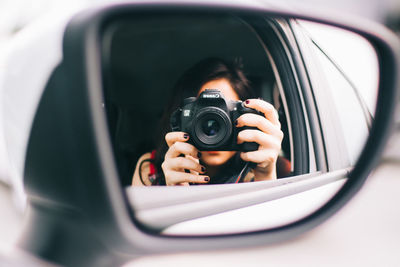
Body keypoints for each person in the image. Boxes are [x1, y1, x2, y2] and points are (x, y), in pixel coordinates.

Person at [132, 57, 284, 186]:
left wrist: (266, 174)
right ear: (181, 117)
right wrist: (173, 192)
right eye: (205, 113)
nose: (214, 129)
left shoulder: (253, 175)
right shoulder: (149, 169)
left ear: (246, 117)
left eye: (226, 112)